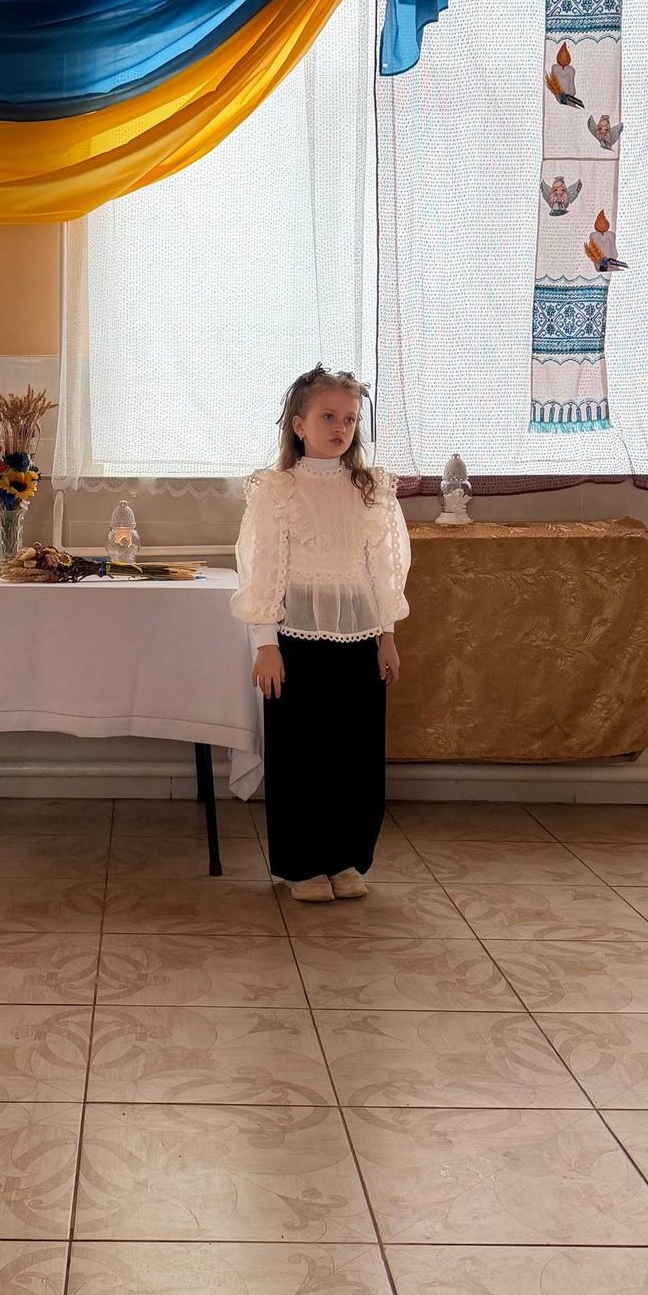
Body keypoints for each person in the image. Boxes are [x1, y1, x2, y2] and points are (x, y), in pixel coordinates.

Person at [232, 364, 411, 902]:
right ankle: (302, 865)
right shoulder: (277, 489)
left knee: (356, 753)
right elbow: (263, 568)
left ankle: (346, 859)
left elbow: (383, 566)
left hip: (360, 640)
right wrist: (265, 644)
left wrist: (386, 635)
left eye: (350, 419)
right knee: (300, 752)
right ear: (299, 425)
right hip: (294, 643)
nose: (341, 428)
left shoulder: (371, 489)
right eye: (328, 416)